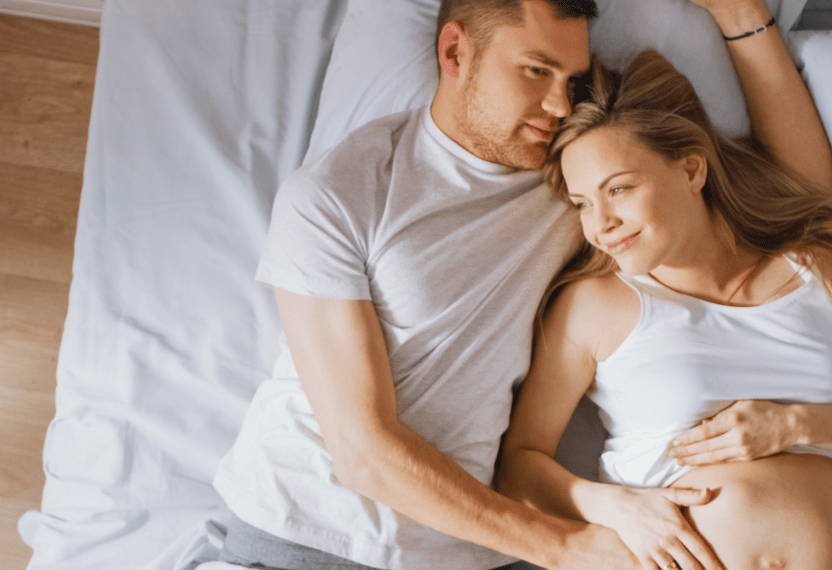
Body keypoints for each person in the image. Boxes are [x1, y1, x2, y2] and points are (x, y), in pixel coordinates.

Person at [494, 2, 832, 570]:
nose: (602, 224)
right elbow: (519, 465)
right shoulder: (594, 307)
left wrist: (791, 424)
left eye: (618, 189)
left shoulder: (818, 269)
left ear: (691, 170)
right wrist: (616, 508)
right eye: (583, 203)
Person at [208, 1, 637, 569]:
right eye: (536, 70)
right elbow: (361, 450)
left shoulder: (583, 184)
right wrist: (561, 547)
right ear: (455, 52)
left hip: (473, 552)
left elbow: (747, 199)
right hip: (305, 534)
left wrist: (742, 24)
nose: (560, 105)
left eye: (572, 81)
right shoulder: (339, 193)